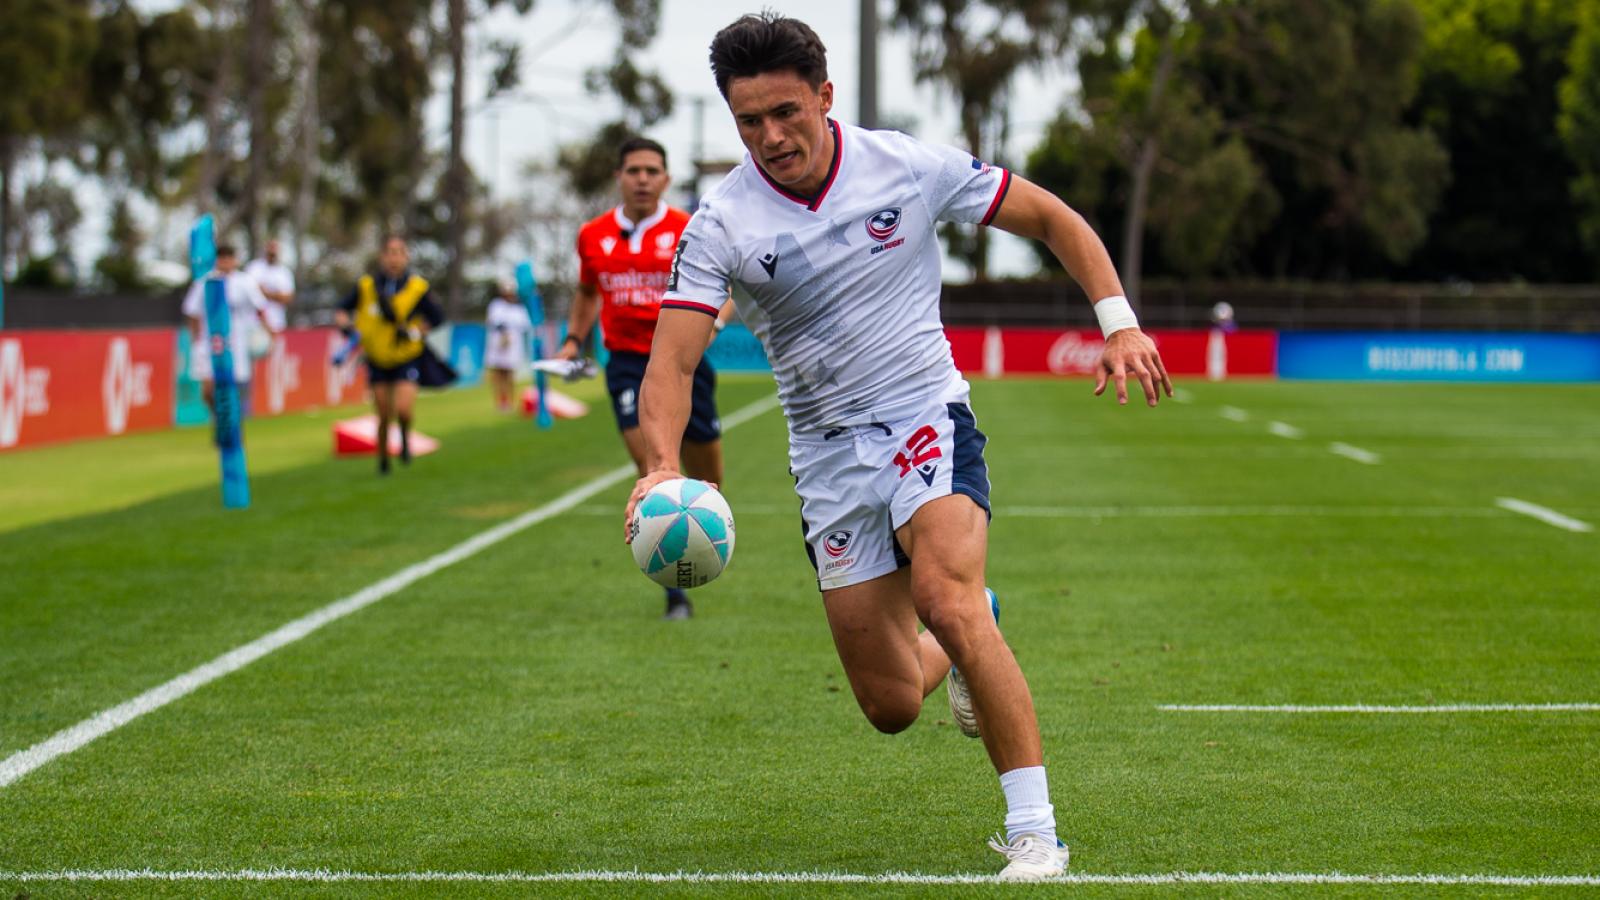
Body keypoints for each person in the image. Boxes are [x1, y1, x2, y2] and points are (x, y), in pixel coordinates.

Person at [623, 13, 1172, 880]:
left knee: (945, 594)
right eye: (749, 121)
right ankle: (970, 633)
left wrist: (1119, 322)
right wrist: (661, 465)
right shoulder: (720, 222)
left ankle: (1035, 831)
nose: (771, 136)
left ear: (826, 97)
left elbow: (1054, 219)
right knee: (887, 707)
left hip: (924, 416)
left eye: (786, 112)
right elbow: (671, 364)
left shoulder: (907, 166)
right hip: (828, 458)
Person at [560, 136, 737, 621]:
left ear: (666, 179)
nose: (642, 178)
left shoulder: (691, 228)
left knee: (709, 480)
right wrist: (574, 341)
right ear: (619, 177)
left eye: (651, 170)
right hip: (626, 363)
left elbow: (729, 288)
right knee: (657, 471)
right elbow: (585, 292)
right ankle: (674, 589)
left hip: (684, 362)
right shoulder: (592, 235)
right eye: (633, 170)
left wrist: (713, 325)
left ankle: (702, 538)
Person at [334, 235, 447, 475]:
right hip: (377, 359)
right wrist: (347, 327)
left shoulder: (418, 287)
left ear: (406, 257)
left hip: (406, 357)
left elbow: (437, 317)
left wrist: (415, 332)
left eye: (399, 252)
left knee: (403, 410)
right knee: (383, 414)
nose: (394, 258)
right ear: (382, 257)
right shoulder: (366, 286)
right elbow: (342, 310)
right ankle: (383, 458)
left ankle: (405, 437)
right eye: (390, 252)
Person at [182, 244, 272, 417]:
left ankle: (233, 422)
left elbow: (260, 309)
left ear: (235, 260)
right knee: (208, 390)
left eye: (229, 258)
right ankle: (220, 419)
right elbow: (192, 312)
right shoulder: (205, 282)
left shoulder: (245, 281)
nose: (225, 262)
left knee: (235, 387)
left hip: (237, 342)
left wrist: (269, 334)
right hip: (210, 342)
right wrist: (196, 340)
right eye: (221, 258)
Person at [484, 279, 533, 412]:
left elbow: (525, 325)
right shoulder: (496, 305)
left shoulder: (519, 308)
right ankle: (500, 402)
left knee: (510, 374)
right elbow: (492, 321)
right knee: (498, 374)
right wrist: (503, 334)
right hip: (497, 344)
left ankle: (511, 402)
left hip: (513, 345)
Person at [245, 238, 296, 335]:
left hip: (277, 323)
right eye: (270, 250)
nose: (272, 253)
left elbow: (288, 297)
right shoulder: (254, 267)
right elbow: (249, 292)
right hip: (255, 323)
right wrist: (277, 295)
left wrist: (266, 293)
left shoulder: (284, 272)